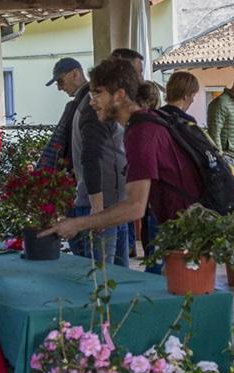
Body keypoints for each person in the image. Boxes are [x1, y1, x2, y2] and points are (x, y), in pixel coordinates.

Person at [44, 58, 200, 246]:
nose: (92, 103)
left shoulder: (141, 132)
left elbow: (135, 207)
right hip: (183, 224)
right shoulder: (140, 124)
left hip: (193, 229)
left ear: (118, 95)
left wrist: (78, 223)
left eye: (97, 94)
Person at [47, 57, 128, 266]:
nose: (59, 88)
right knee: (103, 275)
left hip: (105, 203)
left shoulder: (85, 106)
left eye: (60, 81)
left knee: (107, 275)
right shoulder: (89, 108)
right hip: (101, 202)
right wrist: (98, 207)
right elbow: (91, 156)